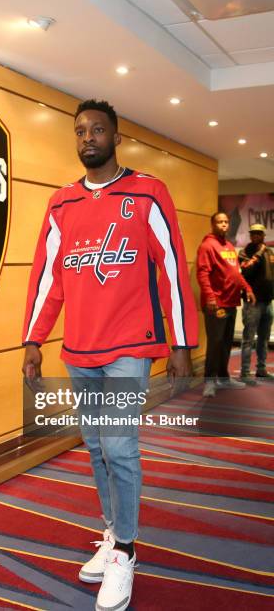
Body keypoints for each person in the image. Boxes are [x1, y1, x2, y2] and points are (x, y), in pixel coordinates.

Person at [22, 99, 198, 611]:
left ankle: (124, 551)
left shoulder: (148, 193)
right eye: (80, 131)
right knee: (96, 446)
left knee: (119, 446)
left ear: (117, 137)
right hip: (79, 349)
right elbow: (48, 278)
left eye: (98, 130)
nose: (88, 138)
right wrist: (34, 340)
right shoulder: (60, 204)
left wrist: (182, 342)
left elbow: (171, 269)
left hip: (130, 344)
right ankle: (112, 530)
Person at [196, 212, 256, 397]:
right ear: (213, 224)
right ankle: (209, 382)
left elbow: (236, 273)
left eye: (226, 222)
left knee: (226, 343)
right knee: (215, 343)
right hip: (217, 304)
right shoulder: (208, 246)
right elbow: (203, 274)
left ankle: (223, 377)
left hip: (231, 302)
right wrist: (211, 298)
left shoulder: (229, 246)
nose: (223, 225)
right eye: (220, 222)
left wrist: (248, 288)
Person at [239, 223, 274, 383]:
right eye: (253, 233)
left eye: (259, 233)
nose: (256, 236)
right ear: (250, 235)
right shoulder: (244, 252)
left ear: (263, 235)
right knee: (248, 338)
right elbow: (247, 270)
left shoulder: (269, 252)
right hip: (252, 303)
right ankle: (245, 373)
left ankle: (261, 369)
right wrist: (258, 254)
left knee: (264, 338)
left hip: (267, 302)